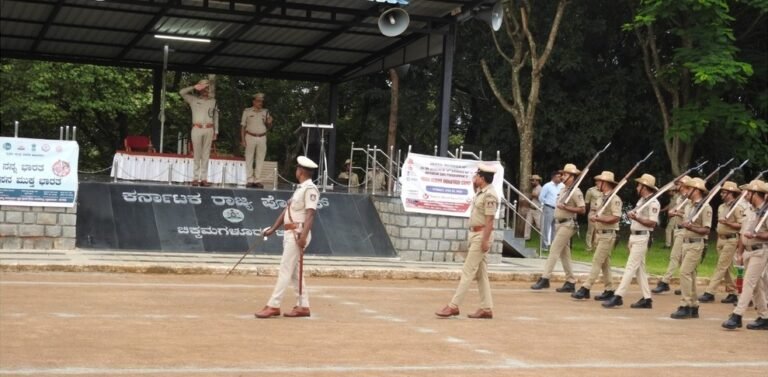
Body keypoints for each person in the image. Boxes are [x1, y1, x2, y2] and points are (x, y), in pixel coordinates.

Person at [255, 156, 320, 319]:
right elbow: (286, 212)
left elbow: (311, 214)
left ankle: (273, 305)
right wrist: (272, 229)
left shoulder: (310, 189)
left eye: (298, 168)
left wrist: (303, 236)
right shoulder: (300, 189)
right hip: (290, 232)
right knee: (294, 272)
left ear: (301, 171)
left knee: (285, 269)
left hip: (298, 233)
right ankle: (303, 305)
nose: (296, 170)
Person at [435, 164, 499, 319]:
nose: (474, 178)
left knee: (467, 271)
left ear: (482, 178)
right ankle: (486, 308)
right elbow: (476, 193)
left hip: (481, 235)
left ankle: (453, 306)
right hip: (476, 234)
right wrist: (474, 183)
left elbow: (490, 221)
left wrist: (485, 241)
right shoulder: (481, 192)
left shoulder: (490, 195)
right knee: (481, 274)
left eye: (476, 176)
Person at [603, 174, 660, 309]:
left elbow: (652, 223)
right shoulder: (642, 201)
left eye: (639, 185)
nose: (637, 187)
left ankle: (618, 296)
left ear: (645, 187)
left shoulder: (653, 203)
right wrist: (632, 214)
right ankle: (647, 298)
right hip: (634, 236)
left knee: (630, 267)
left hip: (642, 237)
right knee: (639, 269)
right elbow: (636, 214)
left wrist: (636, 218)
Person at [531, 164, 585, 292]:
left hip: (568, 224)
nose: (563, 176)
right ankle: (570, 281)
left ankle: (545, 278)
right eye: (563, 174)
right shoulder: (564, 190)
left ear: (572, 177)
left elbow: (582, 209)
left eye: (566, 174)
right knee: (564, 254)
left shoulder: (575, 191)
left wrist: (566, 208)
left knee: (554, 249)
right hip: (559, 223)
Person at [722, 180, 768, 330]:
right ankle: (764, 316)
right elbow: (743, 232)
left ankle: (737, 315)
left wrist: (757, 235)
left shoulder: (766, 211)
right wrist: (740, 252)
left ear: (755, 194)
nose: (745, 194)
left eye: (749, 192)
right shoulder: (751, 210)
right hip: (748, 251)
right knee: (756, 286)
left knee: (748, 282)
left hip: (760, 250)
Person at [572, 171, 622, 301]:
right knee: (605, 264)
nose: (597, 183)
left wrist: (600, 218)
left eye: (600, 181)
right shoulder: (601, 198)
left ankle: (586, 287)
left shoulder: (614, 199)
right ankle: (609, 289)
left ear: (605, 183)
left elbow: (616, 217)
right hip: (599, 233)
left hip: (608, 235)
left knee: (596, 261)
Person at [670, 177, 712, 319]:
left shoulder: (705, 207)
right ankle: (694, 305)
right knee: (691, 275)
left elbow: (706, 230)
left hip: (696, 244)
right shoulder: (688, 206)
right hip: (686, 243)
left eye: (688, 188)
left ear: (696, 190)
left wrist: (691, 226)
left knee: (684, 272)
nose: (685, 191)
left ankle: (685, 304)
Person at [699, 181, 746, 304]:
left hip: (731, 239)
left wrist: (728, 223)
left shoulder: (737, 207)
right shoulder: (721, 207)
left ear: (731, 193)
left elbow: (742, 225)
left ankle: (710, 292)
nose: (721, 194)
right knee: (725, 268)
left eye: (724, 192)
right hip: (721, 239)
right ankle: (733, 291)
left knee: (721, 266)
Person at [652, 176, 692, 294]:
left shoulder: (689, 199)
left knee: (674, 256)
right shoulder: (680, 198)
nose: (677, 185)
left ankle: (665, 281)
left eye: (679, 183)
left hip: (684, 230)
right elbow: (673, 211)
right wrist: (673, 212)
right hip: (676, 229)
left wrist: (677, 212)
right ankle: (686, 285)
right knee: (681, 259)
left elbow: (690, 214)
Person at [180, 79, 218, 187]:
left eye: (207, 87)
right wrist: (194, 86)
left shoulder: (213, 101)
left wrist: (216, 131)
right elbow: (181, 92)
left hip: (209, 129)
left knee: (206, 155)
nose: (205, 90)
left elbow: (216, 116)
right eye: (203, 87)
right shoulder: (193, 99)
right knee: (197, 154)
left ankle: (204, 179)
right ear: (200, 89)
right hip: (197, 128)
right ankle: (195, 178)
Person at [240, 93, 273, 188]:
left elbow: (269, 126)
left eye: (262, 101)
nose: (260, 103)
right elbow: (243, 126)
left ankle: (257, 179)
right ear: (254, 101)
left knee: (260, 159)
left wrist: (270, 123)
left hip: (262, 137)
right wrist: (242, 140)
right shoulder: (247, 111)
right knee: (249, 158)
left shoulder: (265, 111)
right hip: (250, 136)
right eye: (258, 101)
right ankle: (250, 179)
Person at [539, 171, 564, 249]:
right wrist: (548, 203)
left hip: (558, 209)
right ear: (553, 177)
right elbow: (541, 197)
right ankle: (544, 245)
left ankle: (553, 245)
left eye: (560, 177)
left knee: (555, 227)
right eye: (558, 176)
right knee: (546, 227)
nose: (560, 178)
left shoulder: (562, 186)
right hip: (549, 208)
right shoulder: (547, 186)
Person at [523, 174, 543, 241]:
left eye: (533, 180)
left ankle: (543, 237)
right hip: (531, 208)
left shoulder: (541, 188)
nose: (531, 182)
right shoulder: (533, 188)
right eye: (531, 180)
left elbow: (541, 198)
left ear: (537, 181)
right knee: (527, 223)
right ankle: (527, 237)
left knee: (539, 225)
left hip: (537, 209)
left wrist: (534, 195)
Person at [584, 179, 601, 252]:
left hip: (601, 213)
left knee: (598, 230)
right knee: (590, 230)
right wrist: (590, 211)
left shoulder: (605, 191)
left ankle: (596, 247)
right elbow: (587, 203)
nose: (600, 182)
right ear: (596, 182)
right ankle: (588, 247)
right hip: (593, 211)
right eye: (599, 181)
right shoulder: (591, 190)